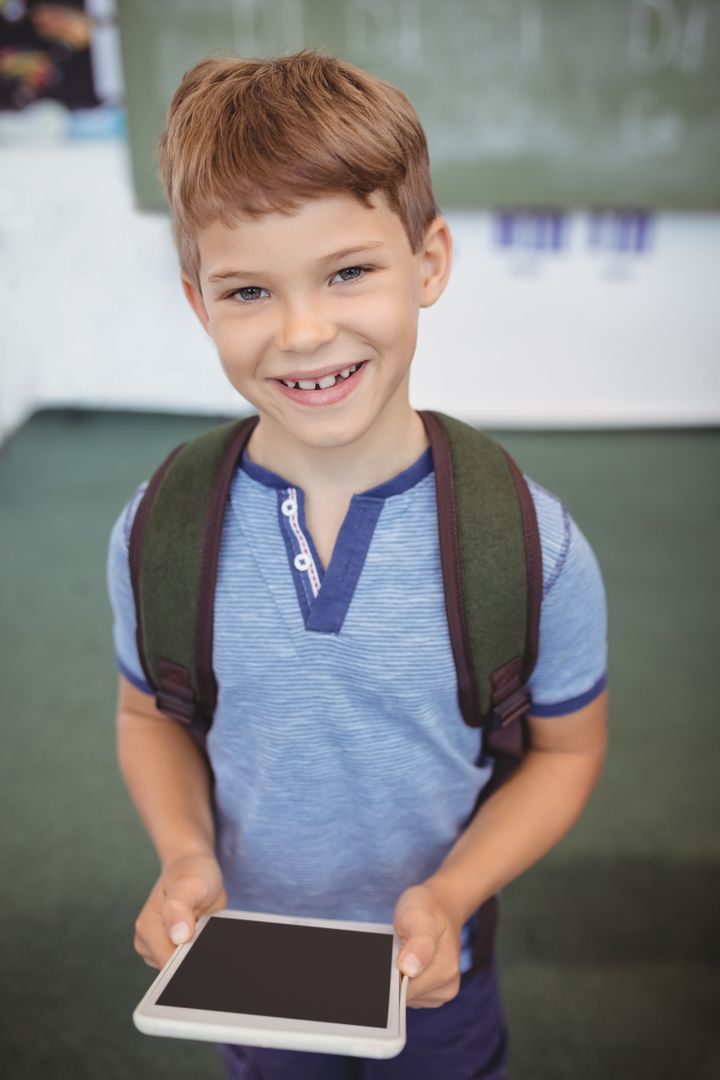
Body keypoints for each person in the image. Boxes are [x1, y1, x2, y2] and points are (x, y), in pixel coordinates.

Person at [107, 50, 608, 1080]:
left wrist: (452, 895)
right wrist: (186, 855)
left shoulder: (532, 545)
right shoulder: (159, 530)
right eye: (249, 289)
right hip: (245, 966)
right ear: (199, 303)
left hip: (438, 969)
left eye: (348, 271)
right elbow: (148, 717)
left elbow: (566, 753)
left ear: (428, 262)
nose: (303, 332)